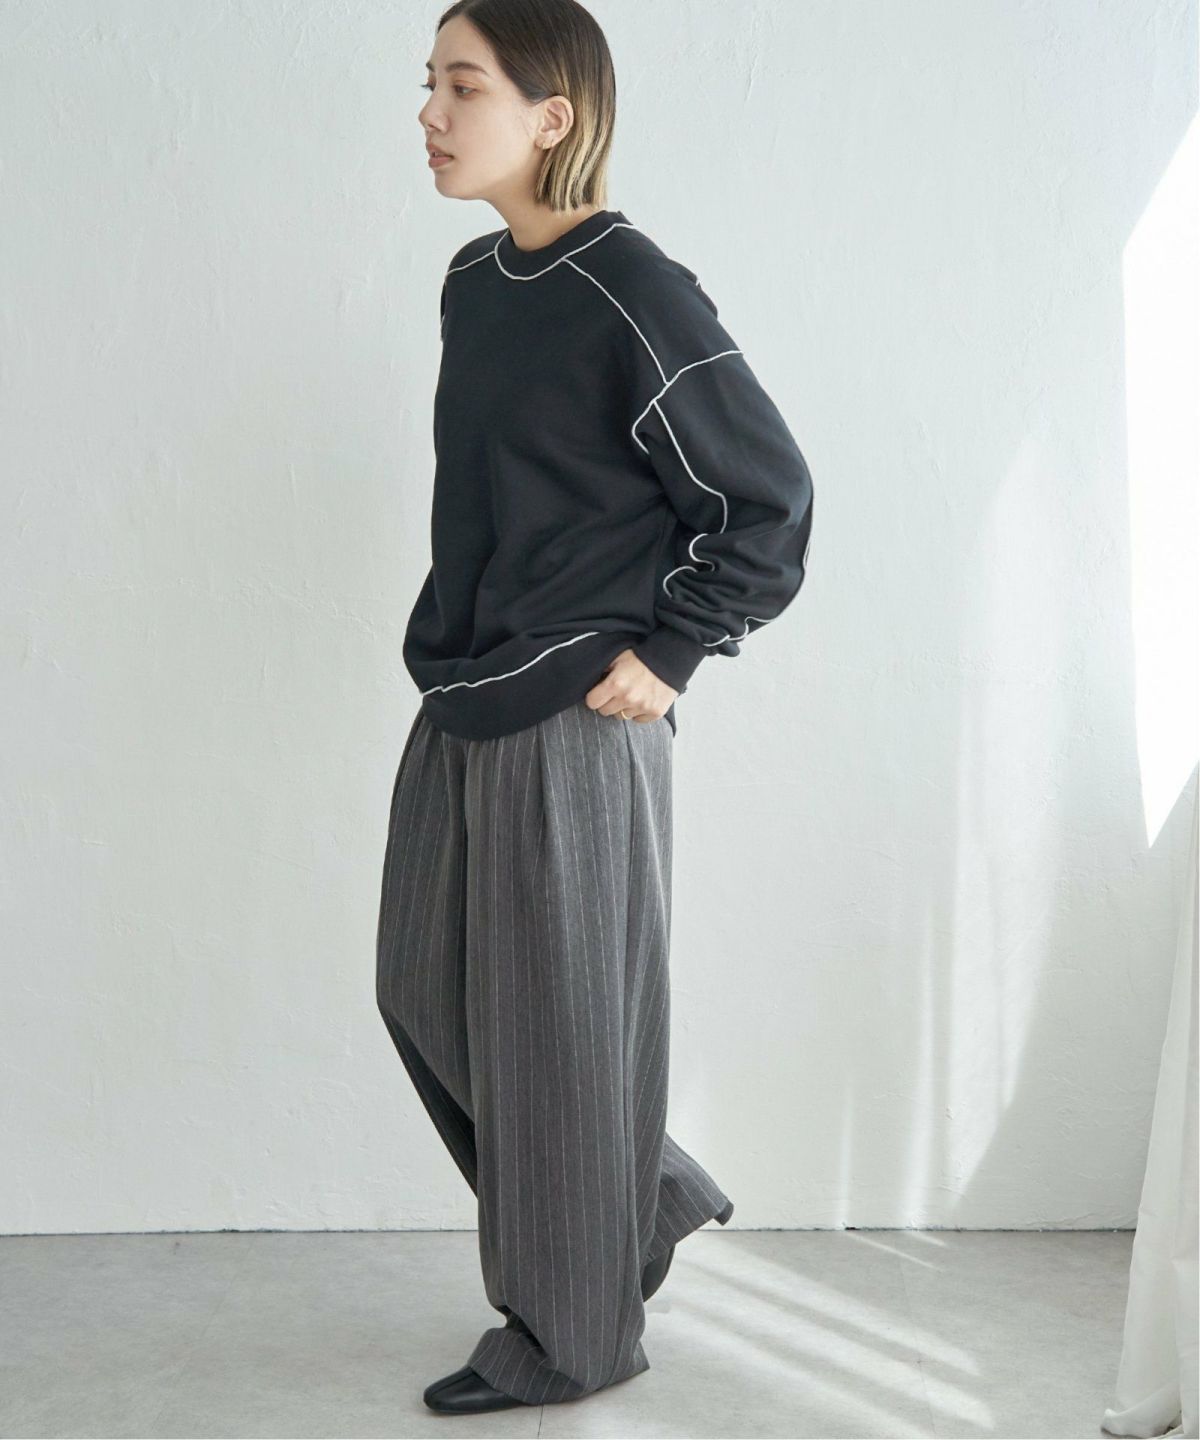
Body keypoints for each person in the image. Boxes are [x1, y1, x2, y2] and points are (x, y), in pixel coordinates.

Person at [376, 0, 814, 1416]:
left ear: (551, 115)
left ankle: (571, 1335)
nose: (431, 114)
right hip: (469, 681)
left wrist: (677, 649)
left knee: (554, 1034)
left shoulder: (631, 285)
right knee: (421, 989)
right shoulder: (475, 280)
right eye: (429, 83)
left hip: (580, 707)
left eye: (463, 86)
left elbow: (766, 494)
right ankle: (639, 1200)